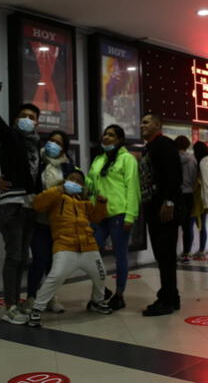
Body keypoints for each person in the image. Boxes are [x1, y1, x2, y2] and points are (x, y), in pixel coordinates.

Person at [0, 88, 41, 325]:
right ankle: (9, 306)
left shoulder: (36, 144)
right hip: (13, 206)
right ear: (17, 119)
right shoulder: (12, 136)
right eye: (24, 116)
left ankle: (16, 302)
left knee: (22, 257)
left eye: (33, 117)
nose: (28, 120)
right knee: (14, 256)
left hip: (29, 206)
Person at [28, 169, 112, 327]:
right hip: (64, 246)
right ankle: (37, 309)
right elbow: (38, 204)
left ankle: (97, 302)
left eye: (79, 181)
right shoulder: (56, 196)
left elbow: (96, 218)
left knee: (100, 275)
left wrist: (101, 204)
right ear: (65, 180)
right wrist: (59, 189)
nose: (75, 182)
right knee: (55, 277)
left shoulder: (84, 202)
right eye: (72, 179)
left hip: (89, 247)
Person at [86, 124, 140, 310]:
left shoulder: (127, 159)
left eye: (111, 135)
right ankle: (102, 291)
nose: (106, 137)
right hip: (99, 214)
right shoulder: (99, 159)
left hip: (119, 213)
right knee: (90, 253)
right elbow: (90, 183)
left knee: (120, 255)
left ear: (119, 140)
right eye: (105, 134)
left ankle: (119, 294)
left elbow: (132, 188)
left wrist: (130, 216)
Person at [25, 131, 76, 313]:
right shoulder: (36, 161)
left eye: (58, 142)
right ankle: (31, 297)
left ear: (64, 148)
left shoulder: (68, 166)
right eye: (51, 141)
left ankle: (50, 297)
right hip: (37, 219)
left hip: (58, 222)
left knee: (54, 264)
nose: (53, 144)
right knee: (39, 259)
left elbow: (76, 189)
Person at [139, 114, 182, 316]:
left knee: (165, 255)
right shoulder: (150, 147)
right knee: (163, 255)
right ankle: (171, 296)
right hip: (153, 208)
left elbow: (173, 175)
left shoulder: (164, 144)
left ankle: (166, 300)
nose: (142, 125)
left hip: (164, 209)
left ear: (157, 125)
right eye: (142, 122)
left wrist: (169, 201)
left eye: (146, 122)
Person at [175, 135, 198, 262]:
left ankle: (172, 252)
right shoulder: (192, 159)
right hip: (189, 195)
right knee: (188, 226)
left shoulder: (172, 159)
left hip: (176, 195)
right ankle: (187, 253)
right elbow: (196, 178)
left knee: (173, 225)